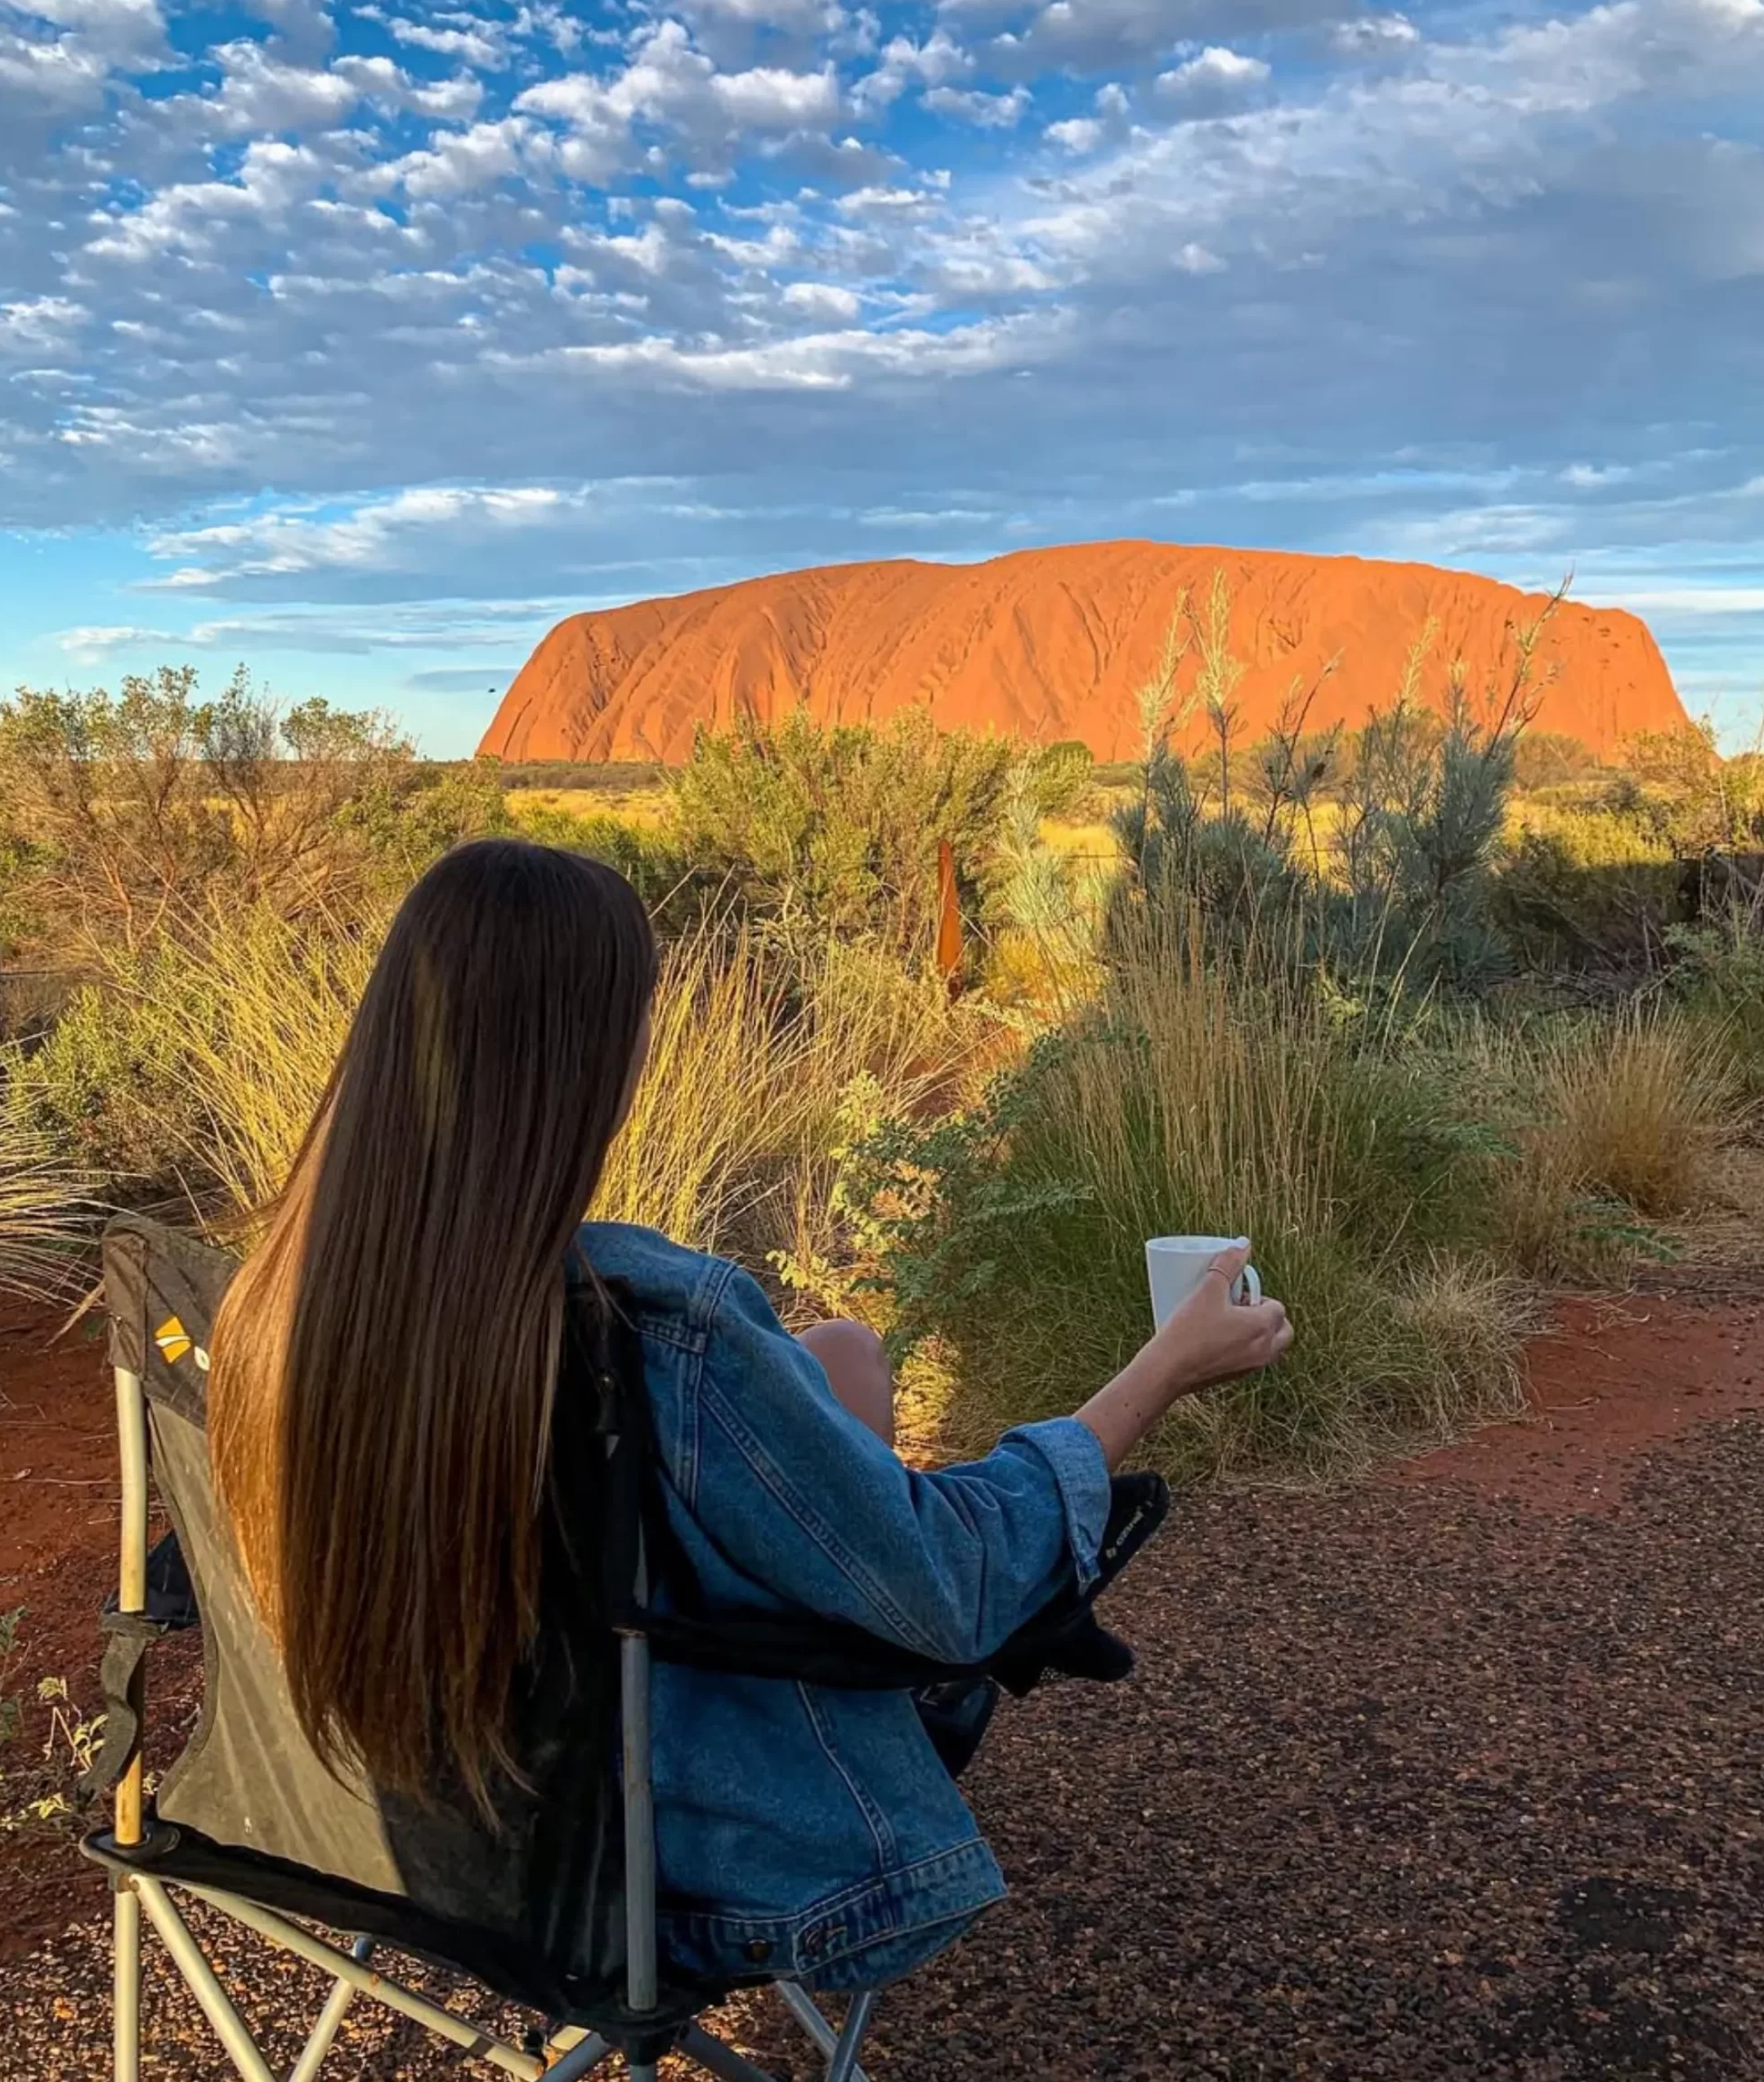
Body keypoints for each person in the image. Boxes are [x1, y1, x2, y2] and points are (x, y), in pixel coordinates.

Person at [207, 839, 1292, 1994]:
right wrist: (1159, 1371)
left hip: (382, 1826)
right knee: (917, 1546)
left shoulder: (277, 1301)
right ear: (584, 1061)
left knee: (841, 1356)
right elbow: (956, 1581)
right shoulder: (650, 1331)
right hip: (638, 1872)